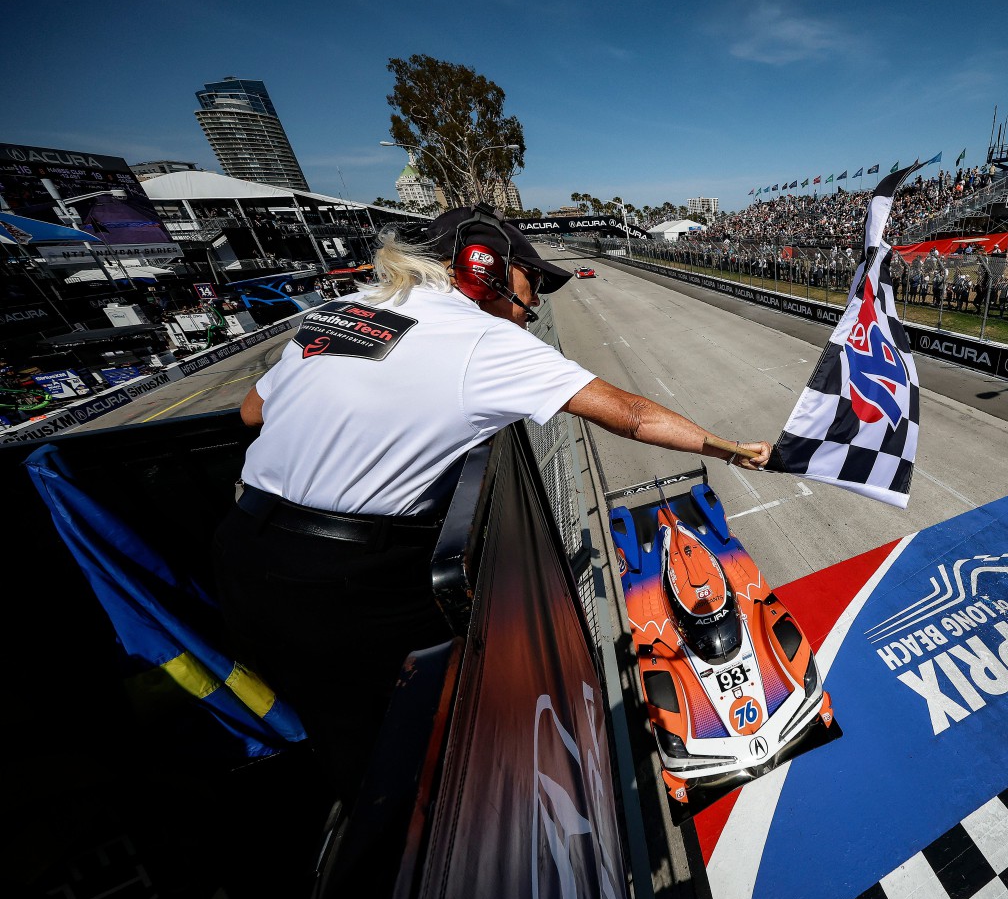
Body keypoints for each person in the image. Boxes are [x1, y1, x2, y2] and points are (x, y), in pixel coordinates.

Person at [213, 204, 771, 809]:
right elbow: (631, 416)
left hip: (242, 549)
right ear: (485, 271)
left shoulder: (349, 312)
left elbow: (252, 411)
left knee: (345, 749)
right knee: (431, 772)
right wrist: (729, 448)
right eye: (529, 287)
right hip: (350, 586)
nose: (532, 312)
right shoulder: (484, 338)